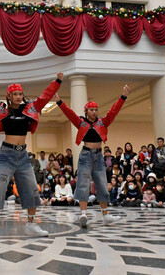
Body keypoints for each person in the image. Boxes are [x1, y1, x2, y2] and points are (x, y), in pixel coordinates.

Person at [0, 69, 62, 239]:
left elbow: (44, 97)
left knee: (32, 189)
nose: (19, 96)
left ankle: (31, 225)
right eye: (15, 94)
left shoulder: (30, 109)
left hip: (23, 156)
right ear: (9, 96)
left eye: (21, 94)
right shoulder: (2, 110)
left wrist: (57, 81)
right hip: (6, 155)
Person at [54, 84, 128, 228]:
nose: (94, 112)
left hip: (99, 156)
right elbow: (70, 114)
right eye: (91, 110)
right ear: (86, 111)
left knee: (101, 183)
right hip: (85, 155)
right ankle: (83, 214)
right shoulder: (81, 122)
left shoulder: (103, 122)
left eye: (95, 110)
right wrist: (59, 102)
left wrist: (123, 97)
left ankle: (105, 215)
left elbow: (114, 111)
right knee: (83, 183)